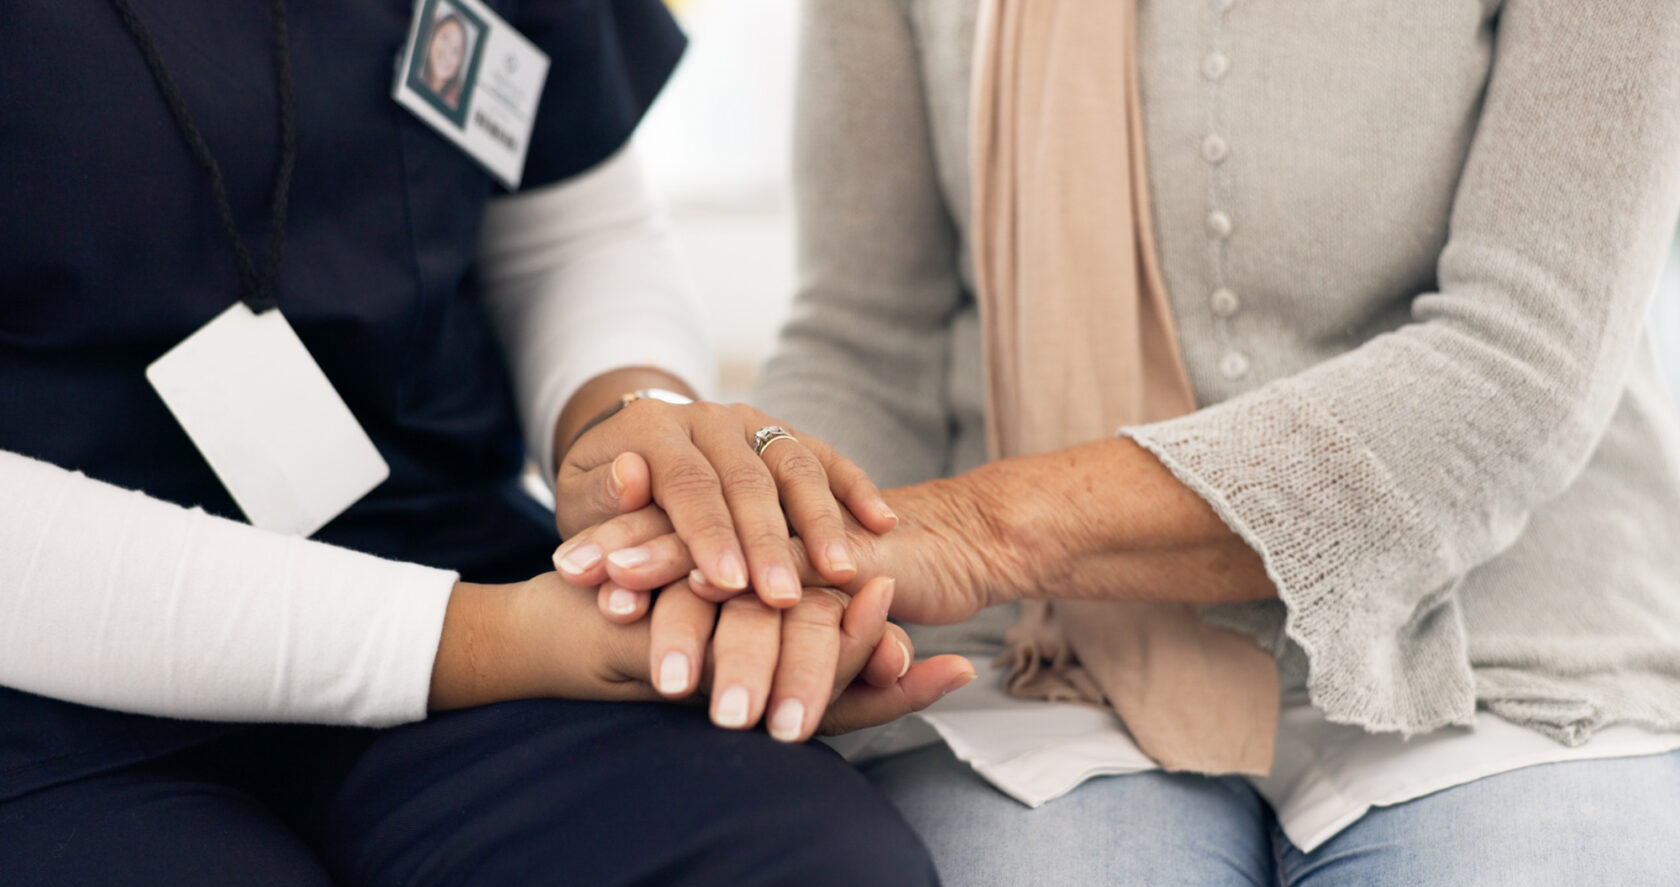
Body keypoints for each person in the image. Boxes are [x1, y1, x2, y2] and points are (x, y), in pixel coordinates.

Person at [572, 0, 1680, 883]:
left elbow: (1520, 357)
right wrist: (769, 542)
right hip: (1050, 662)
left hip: (1500, 640)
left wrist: (987, 526)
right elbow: (869, 336)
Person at [0, 1, 972, 884]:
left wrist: (629, 435)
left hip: (469, 569)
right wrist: (497, 639)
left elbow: (567, 229)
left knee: (808, 863)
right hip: (47, 694)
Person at [420, 11, 469, 109]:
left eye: (455, 50)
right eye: (445, 38)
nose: (447, 53)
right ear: (434, 36)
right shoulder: (414, 70)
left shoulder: (457, 104)